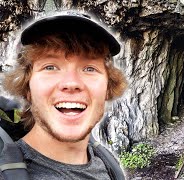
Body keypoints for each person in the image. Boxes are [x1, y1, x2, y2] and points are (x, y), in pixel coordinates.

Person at [1, 10, 127, 180]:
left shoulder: (108, 167)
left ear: (107, 88)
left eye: (89, 69)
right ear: (27, 89)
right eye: (50, 67)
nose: (71, 83)